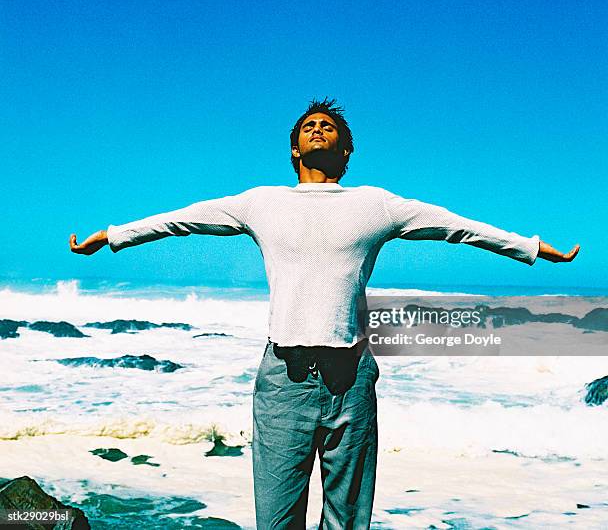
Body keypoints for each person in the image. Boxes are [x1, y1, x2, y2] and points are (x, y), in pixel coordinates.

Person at [70, 98, 579, 529]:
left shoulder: (375, 204)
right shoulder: (261, 202)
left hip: (350, 377)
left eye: (328, 126)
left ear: (346, 150)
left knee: (347, 520)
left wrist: (532, 248)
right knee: (275, 519)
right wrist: (113, 236)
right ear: (295, 148)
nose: (318, 129)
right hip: (283, 379)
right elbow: (183, 220)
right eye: (309, 126)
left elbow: (456, 226)